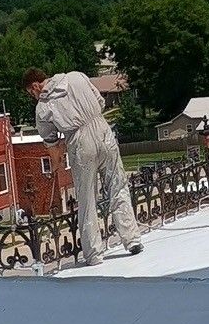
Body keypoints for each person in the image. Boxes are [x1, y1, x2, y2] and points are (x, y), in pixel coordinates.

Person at [25, 66, 143, 267]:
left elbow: (50, 141)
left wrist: (56, 163)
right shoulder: (76, 77)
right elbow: (100, 101)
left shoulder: (44, 107)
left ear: (36, 85)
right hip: (103, 130)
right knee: (118, 185)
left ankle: (94, 253)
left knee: (87, 197)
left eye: (30, 92)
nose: (33, 97)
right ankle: (132, 239)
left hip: (79, 141)